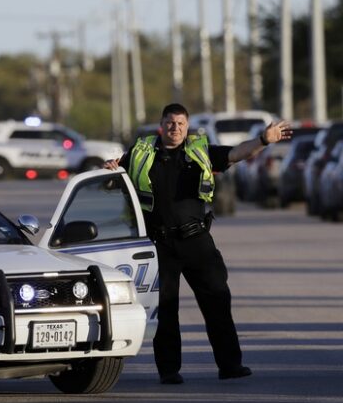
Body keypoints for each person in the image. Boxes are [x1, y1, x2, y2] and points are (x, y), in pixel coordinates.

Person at [104, 103, 292, 384]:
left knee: (217, 299)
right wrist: (109, 172)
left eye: (180, 123)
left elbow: (237, 153)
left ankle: (230, 365)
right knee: (165, 309)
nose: (175, 128)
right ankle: (169, 371)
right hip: (159, 244)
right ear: (161, 124)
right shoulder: (141, 154)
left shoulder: (200, 151)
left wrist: (264, 140)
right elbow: (114, 177)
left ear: (187, 126)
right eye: (170, 123)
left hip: (196, 241)